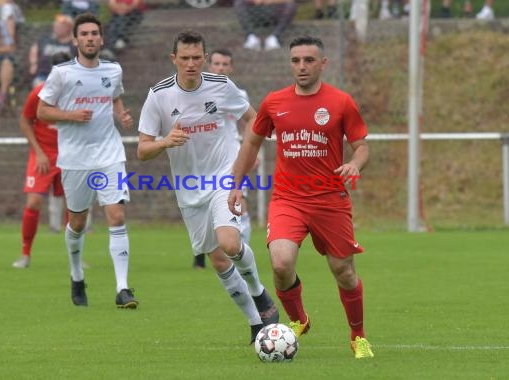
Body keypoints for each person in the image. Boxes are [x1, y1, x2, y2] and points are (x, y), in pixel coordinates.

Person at [228, 35, 374, 358]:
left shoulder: (340, 102)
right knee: (280, 264)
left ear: (323, 64)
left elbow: (362, 145)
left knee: (344, 272)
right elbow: (251, 144)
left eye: (309, 60)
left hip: (329, 200)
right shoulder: (274, 102)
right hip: (288, 199)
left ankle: (358, 336)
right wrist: (235, 184)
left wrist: (353, 163)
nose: (302, 66)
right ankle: (299, 321)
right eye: (296, 60)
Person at [137, 29, 279, 343]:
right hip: (188, 188)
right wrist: (165, 142)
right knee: (217, 260)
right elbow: (142, 150)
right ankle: (256, 322)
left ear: (205, 58)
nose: (191, 64)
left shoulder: (221, 86)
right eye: (184, 58)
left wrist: (246, 156)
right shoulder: (158, 95)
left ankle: (259, 293)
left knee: (229, 243)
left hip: (224, 178)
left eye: (196, 58)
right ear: (173, 59)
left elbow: (255, 121)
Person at [37, 12, 137, 309]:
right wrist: (70, 115)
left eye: (95, 33)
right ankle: (77, 274)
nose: (90, 38)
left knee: (116, 216)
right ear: (75, 40)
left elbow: (115, 96)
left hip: (109, 154)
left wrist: (122, 114)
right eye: (85, 34)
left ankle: (122, 289)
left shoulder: (113, 69)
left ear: (101, 38)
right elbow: (42, 111)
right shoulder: (62, 74)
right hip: (75, 159)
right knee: (77, 222)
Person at [191, 48, 257, 270]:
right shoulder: (197, 93)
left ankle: (239, 254)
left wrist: (249, 153)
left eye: (225, 64)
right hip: (202, 159)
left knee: (240, 204)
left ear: (231, 68)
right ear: (210, 66)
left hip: (231, 157)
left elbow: (249, 124)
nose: (220, 68)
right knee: (203, 207)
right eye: (216, 64)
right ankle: (202, 252)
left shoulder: (238, 94)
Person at [12, 51, 73, 269]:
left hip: (69, 155)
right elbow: (25, 121)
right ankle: (25, 254)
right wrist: (38, 152)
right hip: (44, 155)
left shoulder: (77, 95)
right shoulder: (38, 94)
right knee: (34, 202)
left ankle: (75, 257)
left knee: (75, 206)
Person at [29, 14, 77, 88]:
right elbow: (35, 47)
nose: (56, 27)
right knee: (41, 88)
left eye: (60, 26)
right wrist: (33, 63)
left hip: (65, 78)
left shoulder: (74, 43)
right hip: (44, 76)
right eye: (56, 25)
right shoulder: (46, 39)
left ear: (69, 28)